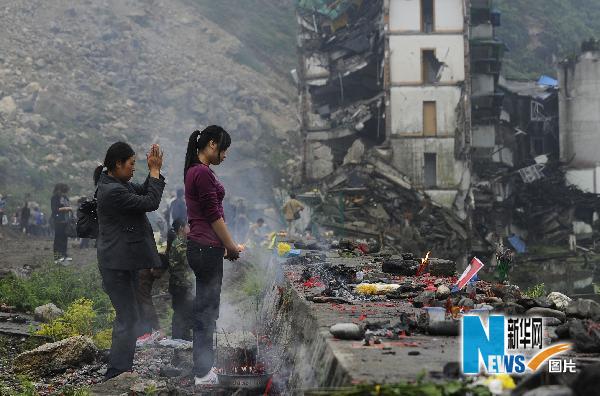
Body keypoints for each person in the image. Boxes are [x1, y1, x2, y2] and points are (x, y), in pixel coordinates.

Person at [95, 141, 165, 381]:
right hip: (116, 267)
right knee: (128, 317)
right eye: (131, 164)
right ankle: (116, 372)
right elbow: (149, 203)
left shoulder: (116, 184)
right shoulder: (112, 191)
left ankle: (122, 367)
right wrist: (154, 173)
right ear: (118, 164)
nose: (134, 168)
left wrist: (153, 172)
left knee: (130, 316)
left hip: (122, 264)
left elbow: (144, 192)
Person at [183, 126, 241, 386]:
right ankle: (203, 373)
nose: (225, 155)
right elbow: (213, 215)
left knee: (205, 308)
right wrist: (230, 246)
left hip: (202, 247)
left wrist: (228, 245)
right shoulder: (202, 173)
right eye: (224, 149)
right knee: (207, 311)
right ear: (212, 144)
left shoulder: (195, 171)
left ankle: (204, 367)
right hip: (206, 249)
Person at [167, 218, 194, 340]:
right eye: (187, 225)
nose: (190, 227)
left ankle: (183, 339)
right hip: (180, 285)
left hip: (183, 284)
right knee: (181, 313)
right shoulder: (179, 243)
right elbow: (189, 262)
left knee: (185, 312)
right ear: (181, 228)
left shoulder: (182, 242)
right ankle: (179, 340)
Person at [51, 184, 72, 261]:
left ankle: (64, 254)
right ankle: (57, 256)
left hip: (65, 221)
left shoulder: (66, 198)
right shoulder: (55, 198)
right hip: (58, 221)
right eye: (63, 191)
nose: (64, 193)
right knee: (58, 239)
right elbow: (54, 209)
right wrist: (65, 208)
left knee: (64, 238)